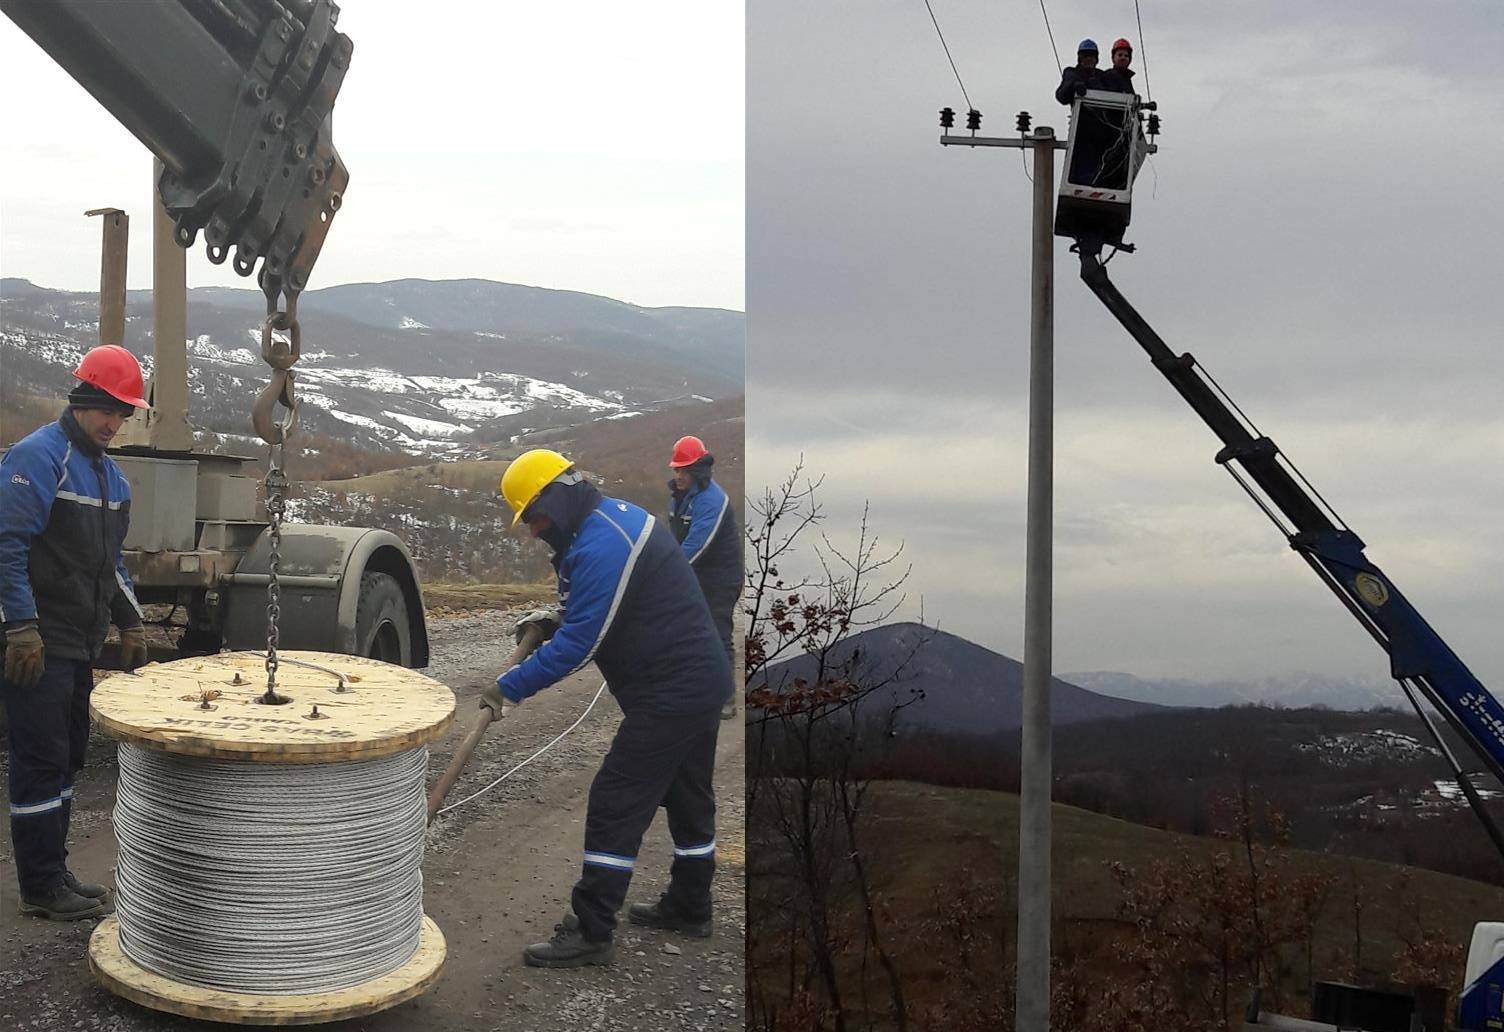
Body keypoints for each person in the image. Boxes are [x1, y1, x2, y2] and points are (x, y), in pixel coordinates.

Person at [486, 449, 734, 968]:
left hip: (675, 692)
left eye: (533, 516)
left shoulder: (603, 542)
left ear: (554, 496)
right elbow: (601, 609)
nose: (533, 531)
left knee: (615, 799)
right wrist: (555, 619)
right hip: (696, 682)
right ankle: (691, 906)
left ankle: (592, 929)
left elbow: (581, 643)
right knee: (689, 796)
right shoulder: (601, 524)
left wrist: (511, 687)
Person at [0, 344, 150, 921]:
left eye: (124, 413)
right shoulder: (39, 458)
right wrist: (20, 629)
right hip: (37, 641)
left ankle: (54, 870)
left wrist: (130, 620)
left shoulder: (112, 477)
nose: (114, 423)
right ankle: (39, 886)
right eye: (107, 410)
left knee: (65, 758)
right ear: (83, 399)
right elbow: (7, 547)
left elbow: (110, 563)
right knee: (39, 760)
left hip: (76, 642)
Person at [666, 435, 741, 721]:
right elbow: (675, 539)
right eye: (676, 469)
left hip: (721, 579)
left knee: (717, 633)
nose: (678, 475)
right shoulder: (680, 497)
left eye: (683, 470)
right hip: (696, 576)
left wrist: (667, 571)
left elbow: (698, 544)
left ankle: (725, 698)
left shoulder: (712, 500)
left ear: (697, 469)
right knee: (687, 632)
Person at [1055, 38, 1104, 105]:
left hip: (1101, 113)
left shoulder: (1102, 76)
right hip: (1080, 114)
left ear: (1096, 59)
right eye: (1085, 55)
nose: (1089, 59)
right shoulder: (1071, 73)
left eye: (1092, 55)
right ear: (1080, 58)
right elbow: (1061, 97)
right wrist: (1072, 86)